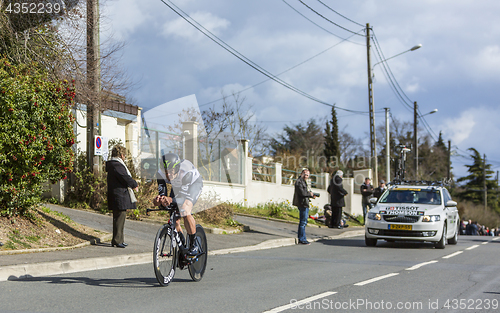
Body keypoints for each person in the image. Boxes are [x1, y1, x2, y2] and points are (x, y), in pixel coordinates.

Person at [153, 153, 204, 257]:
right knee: (175, 220)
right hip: (177, 185)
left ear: (177, 168)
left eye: (171, 172)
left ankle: (193, 245)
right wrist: (160, 200)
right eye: (165, 172)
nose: (168, 175)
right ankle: (182, 247)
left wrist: (170, 199)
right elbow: (163, 194)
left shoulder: (186, 172)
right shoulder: (160, 174)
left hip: (194, 184)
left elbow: (182, 198)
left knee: (185, 209)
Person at [106, 145, 138, 248]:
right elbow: (125, 177)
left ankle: (119, 239)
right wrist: (134, 184)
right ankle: (117, 240)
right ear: (121, 155)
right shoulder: (117, 165)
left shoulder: (113, 164)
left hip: (118, 194)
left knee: (120, 217)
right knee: (119, 218)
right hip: (119, 195)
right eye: (124, 155)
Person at [293, 168, 317, 245]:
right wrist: (310, 194)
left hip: (304, 203)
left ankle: (303, 238)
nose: (306, 176)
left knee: (304, 222)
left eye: (307, 175)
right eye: (305, 174)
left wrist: (311, 195)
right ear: (301, 174)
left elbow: (304, 193)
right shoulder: (299, 182)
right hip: (302, 204)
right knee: (303, 222)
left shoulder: (303, 182)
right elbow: (302, 193)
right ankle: (302, 239)